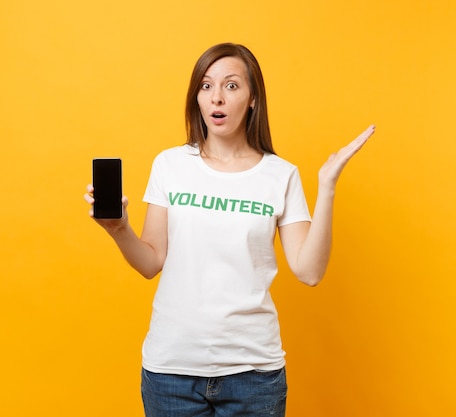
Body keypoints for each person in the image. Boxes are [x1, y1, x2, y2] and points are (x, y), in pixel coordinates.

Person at [84, 42, 375, 417]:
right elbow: (150, 262)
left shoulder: (280, 174)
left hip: (253, 375)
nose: (216, 98)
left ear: (253, 98)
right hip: (171, 372)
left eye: (232, 86)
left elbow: (309, 270)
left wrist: (328, 186)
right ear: (196, 97)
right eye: (206, 86)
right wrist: (118, 228)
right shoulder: (171, 165)